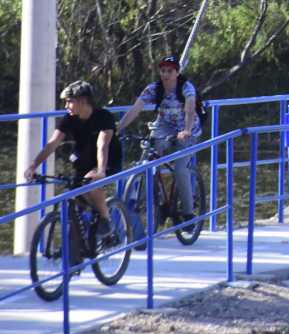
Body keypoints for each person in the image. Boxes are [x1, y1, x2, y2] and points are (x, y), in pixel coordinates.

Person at [24, 81, 123, 239]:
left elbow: (102, 145)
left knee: (91, 183)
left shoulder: (104, 117)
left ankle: (105, 219)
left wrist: (101, 170)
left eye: (70, 101)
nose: (66, 106)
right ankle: (79, 248)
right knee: (73, 191)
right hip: (83, 160)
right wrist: (33, 166)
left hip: (108, 160)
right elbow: (52, 144)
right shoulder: (69, 118)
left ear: (83, 101)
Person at [116, 55, 200, 220]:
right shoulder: (154, 89)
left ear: (177, 72)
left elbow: (190, 109)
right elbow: (135, 109)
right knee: (148, 158)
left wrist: (187, 130)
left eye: (170, 71)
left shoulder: (186, 87)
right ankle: (154, 200)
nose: (166, 74)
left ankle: (188, 213)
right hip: (164, 126)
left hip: (188, 128)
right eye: (163, 71)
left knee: (180, 168)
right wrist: (118, 128)